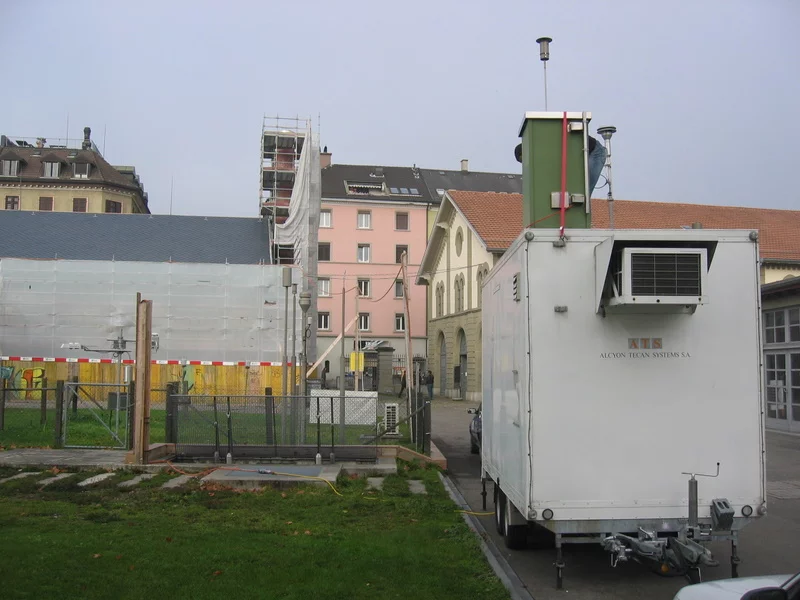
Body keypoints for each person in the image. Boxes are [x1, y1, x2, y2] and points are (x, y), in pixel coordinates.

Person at [514, 135, 607, 197]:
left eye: (523, 159)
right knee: (578, 190)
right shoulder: (540, 152)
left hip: (595, 152)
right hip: (581, 153)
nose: (526, 163)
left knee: (585, 192)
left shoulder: (543, 148)